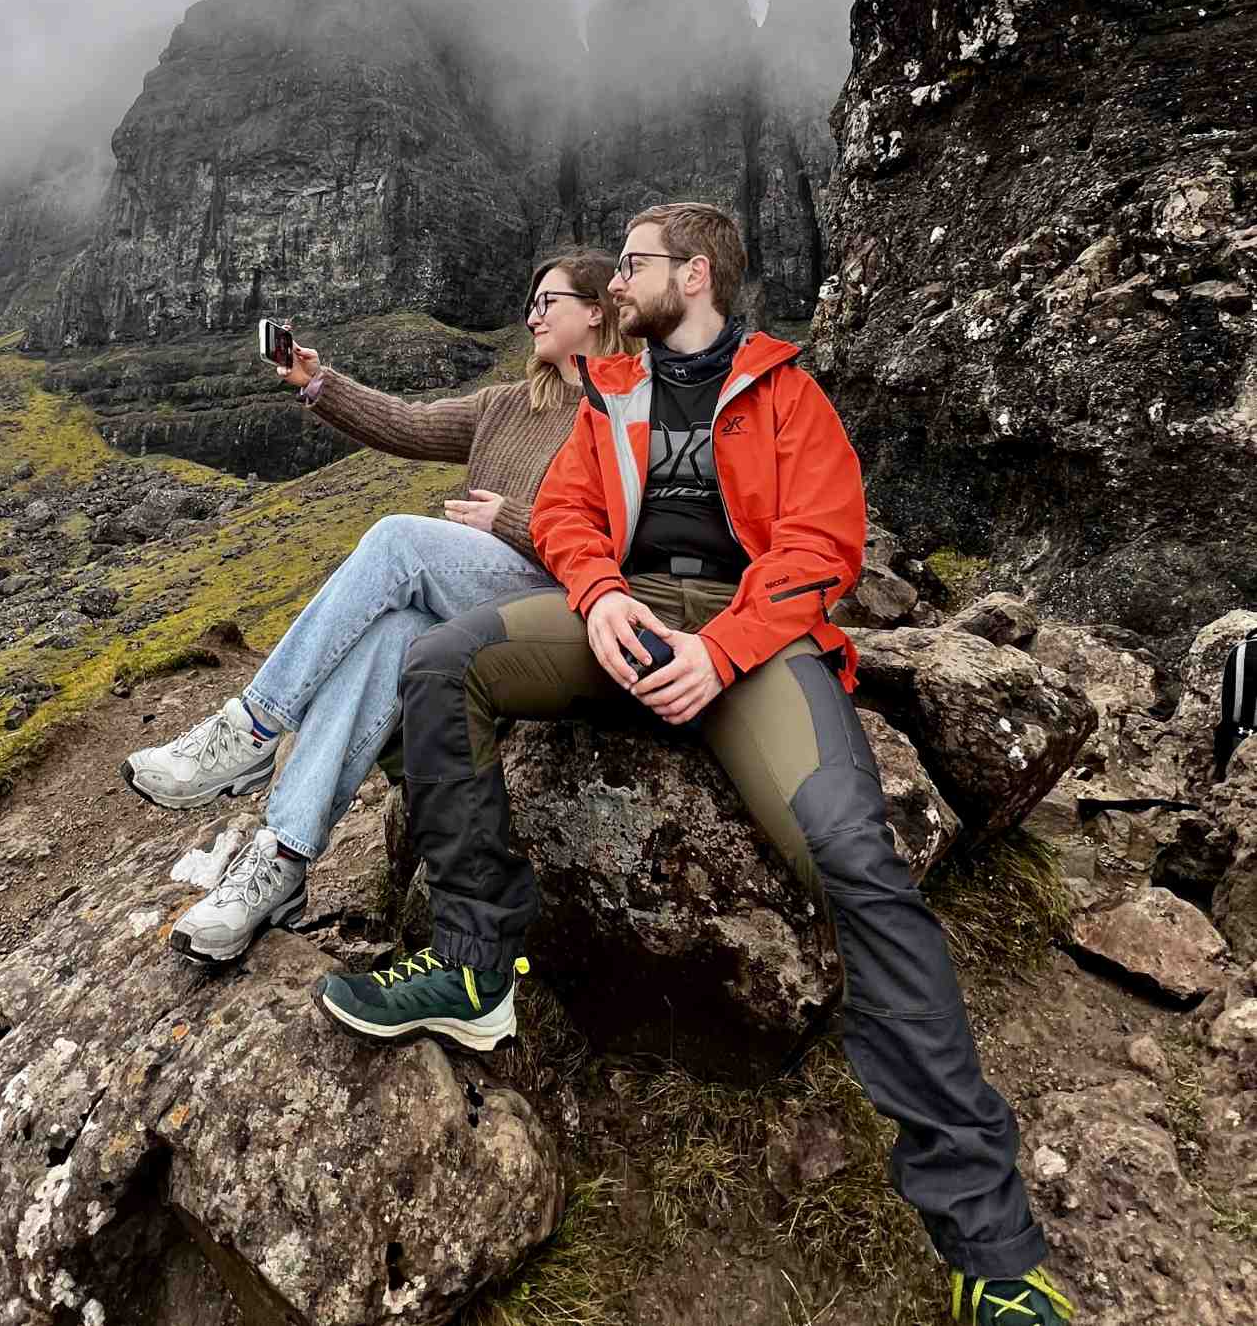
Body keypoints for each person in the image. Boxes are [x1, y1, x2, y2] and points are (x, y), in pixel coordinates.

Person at [318, 202, 1073, 1326]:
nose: (618, 283)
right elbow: (569, 513)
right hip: (626, 611)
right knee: (442, 666)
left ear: (699, 273)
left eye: (633, 264)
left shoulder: (786, 391)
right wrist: (600, 592)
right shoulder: (611, 392)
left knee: (857, 862)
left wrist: (720, 652)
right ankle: (477, 966)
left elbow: (825, 545)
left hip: (751, 634)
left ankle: (995, 1256)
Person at [122, 248, 637, 964]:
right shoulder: (504, 405)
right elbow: (405, 422)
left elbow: (628, 533)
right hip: (477, 595)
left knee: (398, 539)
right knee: (392, 632)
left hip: (556, 601)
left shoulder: (626, 407)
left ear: (597, 311)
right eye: (530, 303)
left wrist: (511, 522)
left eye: (548, 301)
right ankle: (283, 857)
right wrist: (315, 381)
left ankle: (252, 726)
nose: (531, 317)